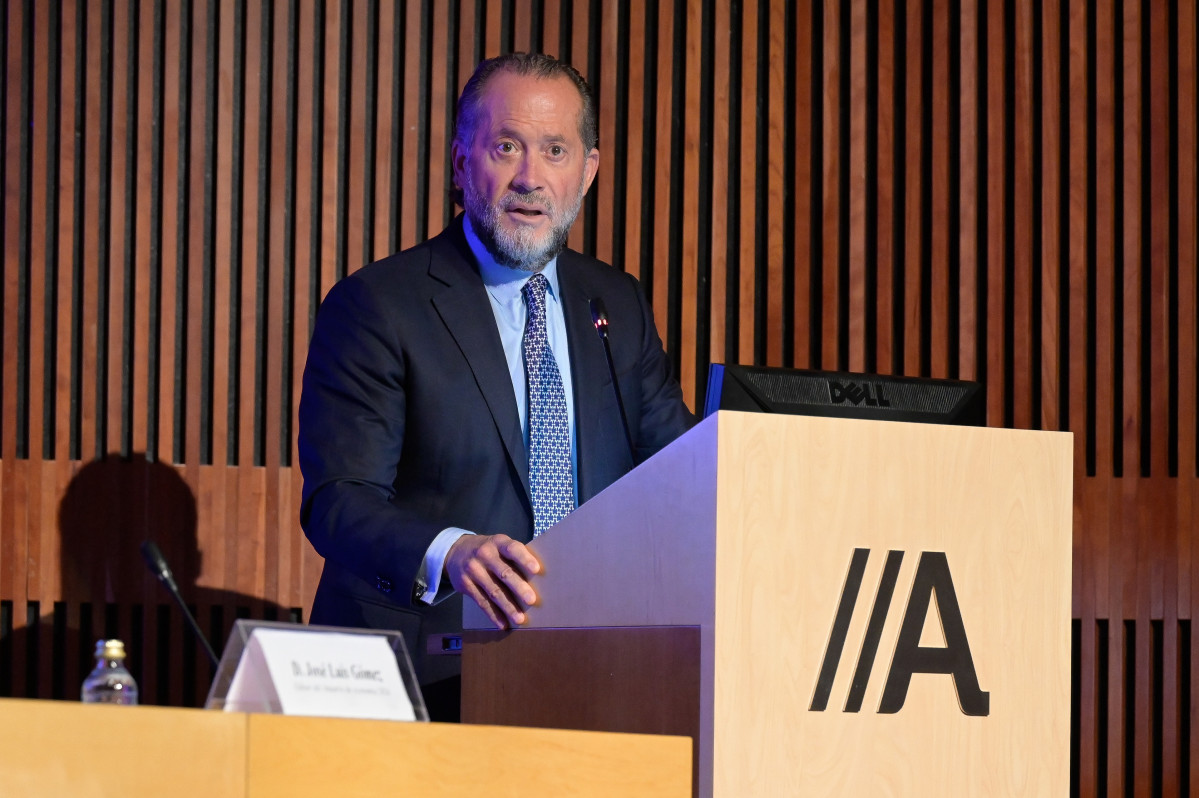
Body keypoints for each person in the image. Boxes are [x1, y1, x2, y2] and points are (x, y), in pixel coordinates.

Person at [297, 52, 694, 720]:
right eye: (505, 147)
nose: (530, 178)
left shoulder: (616, 306)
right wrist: (451, 551)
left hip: (593, 670)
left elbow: (677, 469)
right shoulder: (380, 304)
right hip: (423, 679)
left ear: (588, 170)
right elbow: (339, 501)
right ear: (460, 162)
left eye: (555, 150)